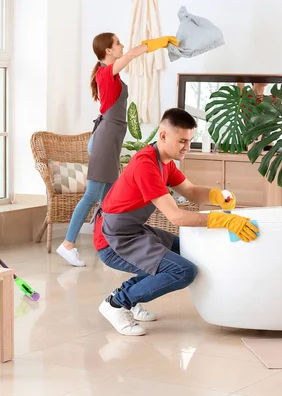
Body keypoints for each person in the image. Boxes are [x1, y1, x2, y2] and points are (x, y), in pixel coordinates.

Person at [94, 108, 259, 336]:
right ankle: (117, 304)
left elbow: (190, 191)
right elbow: (177, 217)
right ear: (163, 136)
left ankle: (127, 298)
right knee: (183, 271)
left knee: (188, 251)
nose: (187, 148)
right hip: (112, 240)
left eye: (190, 141)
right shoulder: (146, 165)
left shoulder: (165, 162)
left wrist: (216, 195)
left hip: (133, 231)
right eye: (182, 141)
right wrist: (222, 221)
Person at [56, 32, 179, 267]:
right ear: (108, 51)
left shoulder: (111, 74)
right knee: (92, 195)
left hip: (110, 140)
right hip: (105, 141)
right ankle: (68, 244)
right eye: (118, 43)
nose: (122, 46)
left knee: (109, 199)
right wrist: (158, 43)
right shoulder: (105, 71)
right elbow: (132, 55)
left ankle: (107, 241)